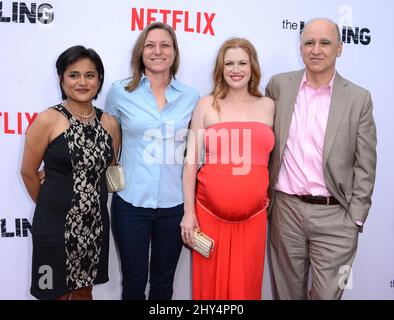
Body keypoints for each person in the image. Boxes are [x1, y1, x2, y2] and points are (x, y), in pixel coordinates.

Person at [266, 18, 377, 300]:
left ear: (339, 48)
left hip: (335, 215)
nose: (316, 50)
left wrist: (356, 218)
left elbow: (366, 163)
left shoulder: (358, 98)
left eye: (325, 43)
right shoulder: (279, 86)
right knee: (286, 295)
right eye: (309, 43)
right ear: (300, 47)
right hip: (285, 211)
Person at [105, 22, 199, 300]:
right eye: (150, 45)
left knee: (163, 285)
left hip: (174, 207)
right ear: (141, 52)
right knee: (133, 285)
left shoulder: (191, 97)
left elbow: (193, 154)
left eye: (165, 45)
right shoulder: (119, 91)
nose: (157, 51)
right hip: (130, 204)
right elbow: (109, 147)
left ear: (174, 53)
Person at [20, 45, 121, 300]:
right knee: (52, 293)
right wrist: (52, 207)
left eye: (90, 75)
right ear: (62, 80)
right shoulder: (48, 120)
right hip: (54, 226)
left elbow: (109, 171)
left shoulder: (110, 123)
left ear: (100, 80)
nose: (82, 82)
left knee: (84, 293)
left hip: (94, 227)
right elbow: (28, 172)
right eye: (73, 75)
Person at [181, 38, 275, 299]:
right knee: (209, 290)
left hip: (254, 219)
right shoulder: (206, 104)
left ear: (252, 67)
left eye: (242, 63)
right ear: (221, 69)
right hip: (208, 217)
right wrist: (189, 214)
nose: (236, 69)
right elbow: (190, 164)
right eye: (229, 63)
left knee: (247, 289)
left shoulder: (269, 106)